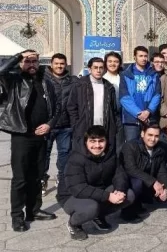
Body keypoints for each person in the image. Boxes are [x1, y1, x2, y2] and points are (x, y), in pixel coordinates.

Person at [0, 50, 58, 231]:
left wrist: (49, 124)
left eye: (34, 61)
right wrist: (20, 55)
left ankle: (34, 210)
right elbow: (1, 71)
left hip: (40, 136)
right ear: (20, 63)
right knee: (20, 178)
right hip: (21, 136)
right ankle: (17, 216)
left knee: (37, 176)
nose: (31, 64)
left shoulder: (46, 82)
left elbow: (57, 108)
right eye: (27, 61)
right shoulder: (14, 80)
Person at [57, 125, 134, 240]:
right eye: (92, 141)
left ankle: (98, 215)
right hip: (71, 195)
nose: (97, 145)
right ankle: (74, 223)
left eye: (101, 141)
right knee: (91, 208)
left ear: (106, 141)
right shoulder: (76, 158)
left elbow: (119, 174)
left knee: (128, 195)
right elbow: (78, 188)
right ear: (86, 142)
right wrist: (108, 196)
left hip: (97, 190)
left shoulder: (110, 154)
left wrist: (119, 189)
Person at [67, 58, 121, 154]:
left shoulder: (109, 86)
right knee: (83, 155)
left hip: (104, 128)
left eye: (101, 68)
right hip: (84, 128)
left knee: (103, 155)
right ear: (89, 69)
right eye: (95, 67)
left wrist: (115, 126)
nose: (98, 70)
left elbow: (113, 109)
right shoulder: (79, 85)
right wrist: (76, 125)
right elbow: (72, 106)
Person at [42, 53, 76, 196]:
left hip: (65, 125)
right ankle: (42, 179)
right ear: (51, 64)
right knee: (44, 153)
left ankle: (61, 177)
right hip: (47, 125)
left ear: (66, 64)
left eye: (62, 63)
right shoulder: (42, 79)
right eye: (56, 63)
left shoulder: (72, 81)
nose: (59, 66)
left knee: (64, 153)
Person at [120, 124, 167, 221]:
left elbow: (162, 172)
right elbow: (131, 169)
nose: (153, 139)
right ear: (142, 134)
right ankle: (127, 212)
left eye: (156, 136)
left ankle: (138, 204)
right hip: (127, 181)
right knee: (137, 183)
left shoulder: (160, 149)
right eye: (150, 135)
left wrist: (166, 190)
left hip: (147, 180)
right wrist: (154, 182)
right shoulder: (130, 146)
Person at [120, 46, 162, 141]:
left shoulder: (153, 74)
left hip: (149, 117)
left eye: (145, 56)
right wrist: (138, 113)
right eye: (141, 56)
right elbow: (124, 97)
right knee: (132, 146)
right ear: (135, 57)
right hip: (131, 119)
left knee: (149, 144)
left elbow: (157, 95)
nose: (143, 58)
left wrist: (148, 111)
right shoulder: (126, 74)